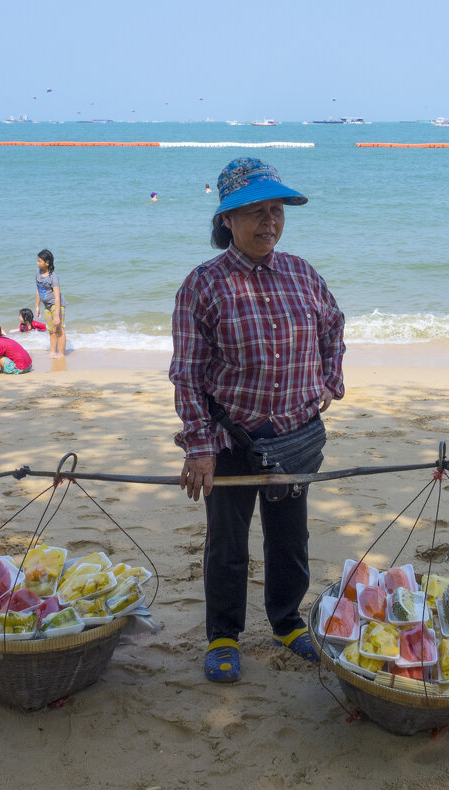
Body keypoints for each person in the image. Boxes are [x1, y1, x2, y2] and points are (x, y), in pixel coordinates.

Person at [170, 157, 346, 683]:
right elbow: (187, 373)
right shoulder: (202, 285)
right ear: (227, 219)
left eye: (276, 211)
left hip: (295, 437)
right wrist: (199, 447)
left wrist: (329, 382)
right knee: (227, 542)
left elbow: (334, 325)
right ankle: (223, 636)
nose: (268, 222)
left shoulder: (301, 273)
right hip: (230, 440)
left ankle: (287, 622)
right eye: (254, 212)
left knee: (290, 538)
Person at [34, 249, 66, 358]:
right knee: (51, 330)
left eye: (39, 261)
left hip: (56, 305)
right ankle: (53, 351)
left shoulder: (53, 277)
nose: (37, 263)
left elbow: (57, 297)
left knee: (59, 329)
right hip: (46, 306)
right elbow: (38, 290)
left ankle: (61, 353)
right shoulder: (38, 274)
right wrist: (37, 306)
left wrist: (56, 314)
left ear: (47, 263)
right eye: (37, 261)